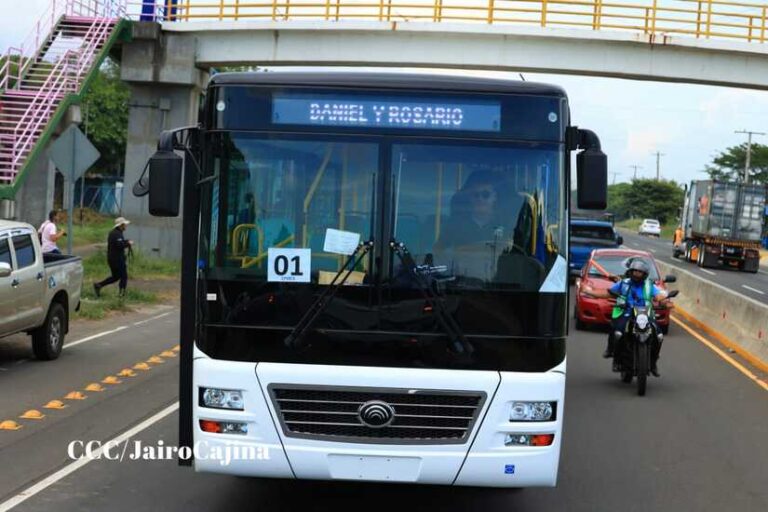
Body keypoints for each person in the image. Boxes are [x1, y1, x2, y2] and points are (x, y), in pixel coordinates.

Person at [582, 259, 668, 376]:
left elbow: (658, 296)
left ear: (644, 274)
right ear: (631, 272)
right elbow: (607, 293)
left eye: (640, 272)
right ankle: (612, 352)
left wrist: (664, 301)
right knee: (618, 332)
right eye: (635, 271)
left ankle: (653, 363)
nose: (637, 274)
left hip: (645, 314)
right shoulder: (624, 283)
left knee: (659, 335)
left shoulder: (649, 285)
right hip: (626, 312)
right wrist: (589, 292)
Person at [93, 217, 133, 298]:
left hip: (113, 259)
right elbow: (119, 245)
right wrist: (128, 244)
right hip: (117, 259)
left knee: (116, 277)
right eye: (125, 224)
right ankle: (121, 295)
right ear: (121, 225)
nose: (126, 226)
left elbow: (119, 243)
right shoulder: (117, 234)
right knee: (123, 277)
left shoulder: (116, 233)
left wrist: (126, 241)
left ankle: (99, 285)